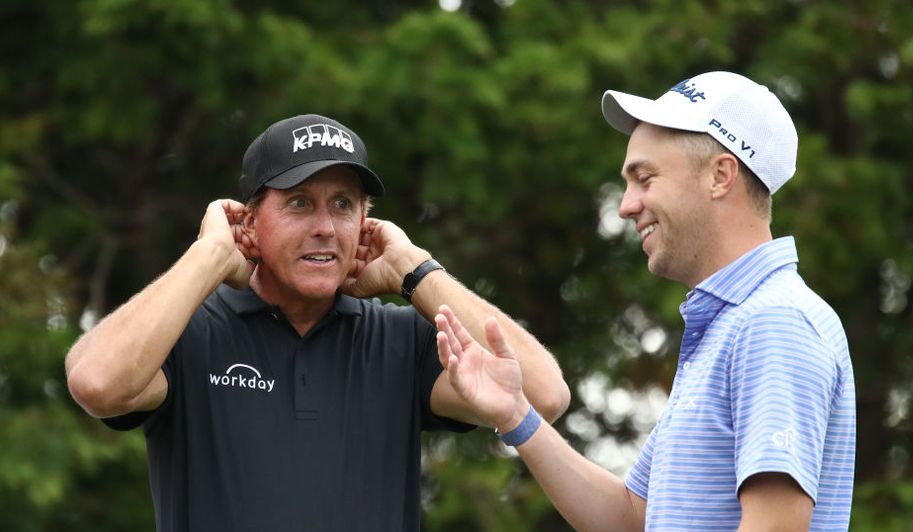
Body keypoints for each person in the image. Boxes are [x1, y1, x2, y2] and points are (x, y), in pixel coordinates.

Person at [65, 114, 570, 531]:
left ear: (364, 224)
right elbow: (97, 382)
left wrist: (415, 270)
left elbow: (542, 396)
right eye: (300, 203)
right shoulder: (189, 331)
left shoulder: (403, 339)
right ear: (250, 222)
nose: (325, 228)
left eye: (344, 206)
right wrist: (209, 256)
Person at [433, 71, 856, 531]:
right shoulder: (732, 325)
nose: (626, 205)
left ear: (720, 176)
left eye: (644, 178)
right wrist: (517, 416)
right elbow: (632, 518)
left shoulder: (773, 322)